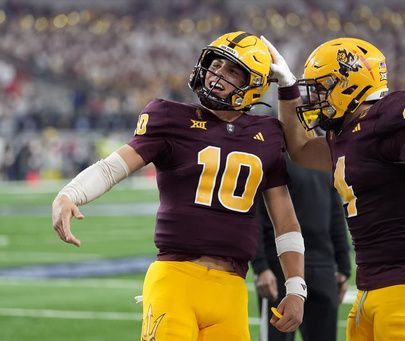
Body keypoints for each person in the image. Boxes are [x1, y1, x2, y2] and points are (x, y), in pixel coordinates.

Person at [51, 31, 306, 341]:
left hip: (233, 287)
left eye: (232, 71)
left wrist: (296, 288)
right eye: (216, 66)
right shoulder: (171, 117)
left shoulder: (267, 133)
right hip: (176, 278)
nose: (217, 75)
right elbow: (112, 167)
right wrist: (69, 194)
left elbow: (286, 221)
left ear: (253, 84)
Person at [261, 36, 405, 341]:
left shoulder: (387, 124)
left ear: (350, 84)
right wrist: (287, 87)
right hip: (369, 290)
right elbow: (301, 148)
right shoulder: (346, 136)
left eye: (323, 88)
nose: (316, 97)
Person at [252, 143, 352, 341]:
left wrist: (344, 268)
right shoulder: (274, 157)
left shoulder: (323, 158)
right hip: (281, 267)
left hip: (323, 267)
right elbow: (256, 216)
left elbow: (335, 215)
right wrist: (261, 267)